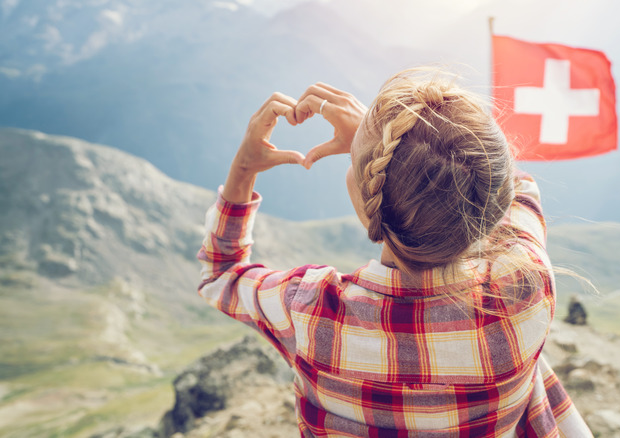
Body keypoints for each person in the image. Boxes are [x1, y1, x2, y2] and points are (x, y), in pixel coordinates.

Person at [197, 68, 592, 437]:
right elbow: (516, 187)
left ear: (372, 194)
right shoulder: (525, 287)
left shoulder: (310, 307)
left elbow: (220, 273)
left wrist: (244, 168)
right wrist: (383, 144)